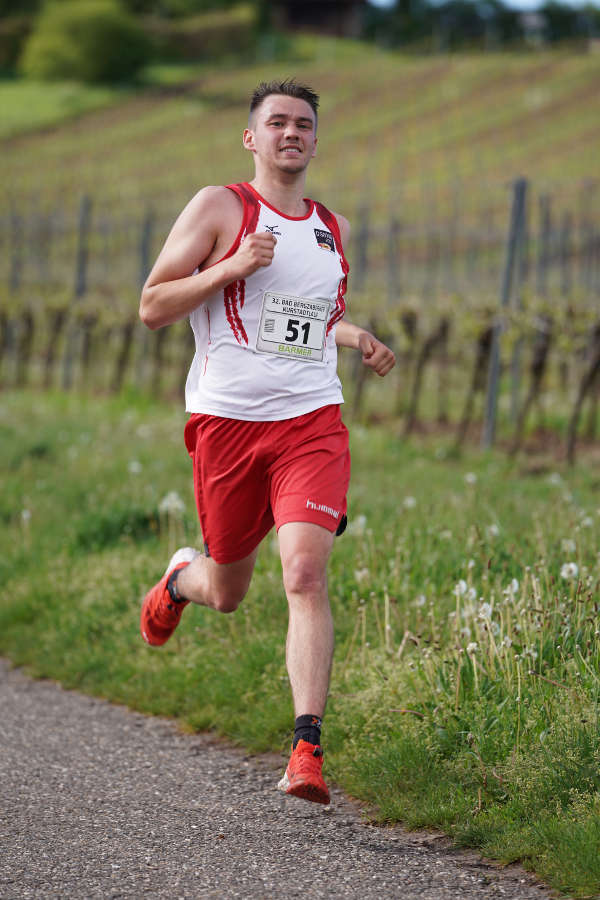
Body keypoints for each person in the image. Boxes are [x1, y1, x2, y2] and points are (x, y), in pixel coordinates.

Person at [139, 79, 395, 805]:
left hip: (312, 421)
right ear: (251, 138)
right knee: (227, 590)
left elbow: (299, 315)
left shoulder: (331, 228)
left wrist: (352, 334)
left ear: (316, 141)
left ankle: (307, 749)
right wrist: (230, 266)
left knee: (305, 574)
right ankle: (179, 580)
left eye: (304, 124)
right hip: (227, 425)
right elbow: (153, 305)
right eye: (276, 122)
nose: (292, 133)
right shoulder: (222, 207)